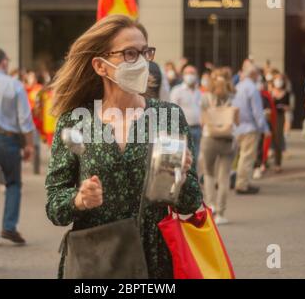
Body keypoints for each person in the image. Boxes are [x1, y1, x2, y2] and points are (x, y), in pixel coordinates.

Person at [46, 15, 201, 279]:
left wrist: (181, 178)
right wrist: (79, 199)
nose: (141, 62)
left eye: (145, 52)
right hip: (94, 258)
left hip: (154, 260)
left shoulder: (169, 117)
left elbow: (191, 203)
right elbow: (54, 207)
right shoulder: (75, 121)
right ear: (100, 65)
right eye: (130, 53)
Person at [0, 48, 35, 246]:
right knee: (13, 183)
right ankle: (9, 226)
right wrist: (29, 144)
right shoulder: (14, 85)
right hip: (8, 139)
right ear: (4, 62)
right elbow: (25, 118)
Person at [200, 69, 239, 225]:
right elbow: (237, 122)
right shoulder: (233, 98)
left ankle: (211, 206)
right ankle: (221, 213)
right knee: (224, 177)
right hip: (227, 141)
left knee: (209, 173)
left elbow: (203, 121)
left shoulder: (205, 99)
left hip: (209, 139)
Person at [232, 62, 270, 195]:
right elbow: (257, 111)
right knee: (247, 157)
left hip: (238, 127)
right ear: (254, 74)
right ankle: (242, 184)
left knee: (241, 156)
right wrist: (264, 128)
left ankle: (241, 182)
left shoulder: (239, 86)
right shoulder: (252, 89)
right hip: (249, 127)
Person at [170, 65, 202, 168]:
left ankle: (193, 181)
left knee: (195, 157)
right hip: (183, 129)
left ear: (196, 75)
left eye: (192, 73)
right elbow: (172, 110)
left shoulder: (199, 91)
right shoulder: (177, 90)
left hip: (197, 128)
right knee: (183, 158)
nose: (190, 76)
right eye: (187, 73)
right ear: (183, 76)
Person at [271, 73, 290, 173]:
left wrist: (283, 107)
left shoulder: (286, 93)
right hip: (270, 117)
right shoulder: (270, 92)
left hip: (280, 117)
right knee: (269, 139)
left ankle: (277, 163)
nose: (278, 82)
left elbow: (288, 106)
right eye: (277, 79)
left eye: (280, 80)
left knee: (278, 138)